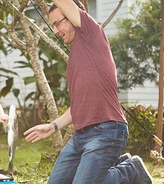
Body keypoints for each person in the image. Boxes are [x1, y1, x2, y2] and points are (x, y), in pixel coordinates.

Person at [24, 0, 153, 183]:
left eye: (57, 24)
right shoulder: (75, 59)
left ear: (72, 16)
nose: (54, 31)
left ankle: (130, 170)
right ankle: (118, 165)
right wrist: (52, 127)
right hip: (80, 136)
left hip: (107, 130)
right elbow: (78, 107)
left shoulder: (92, 33)